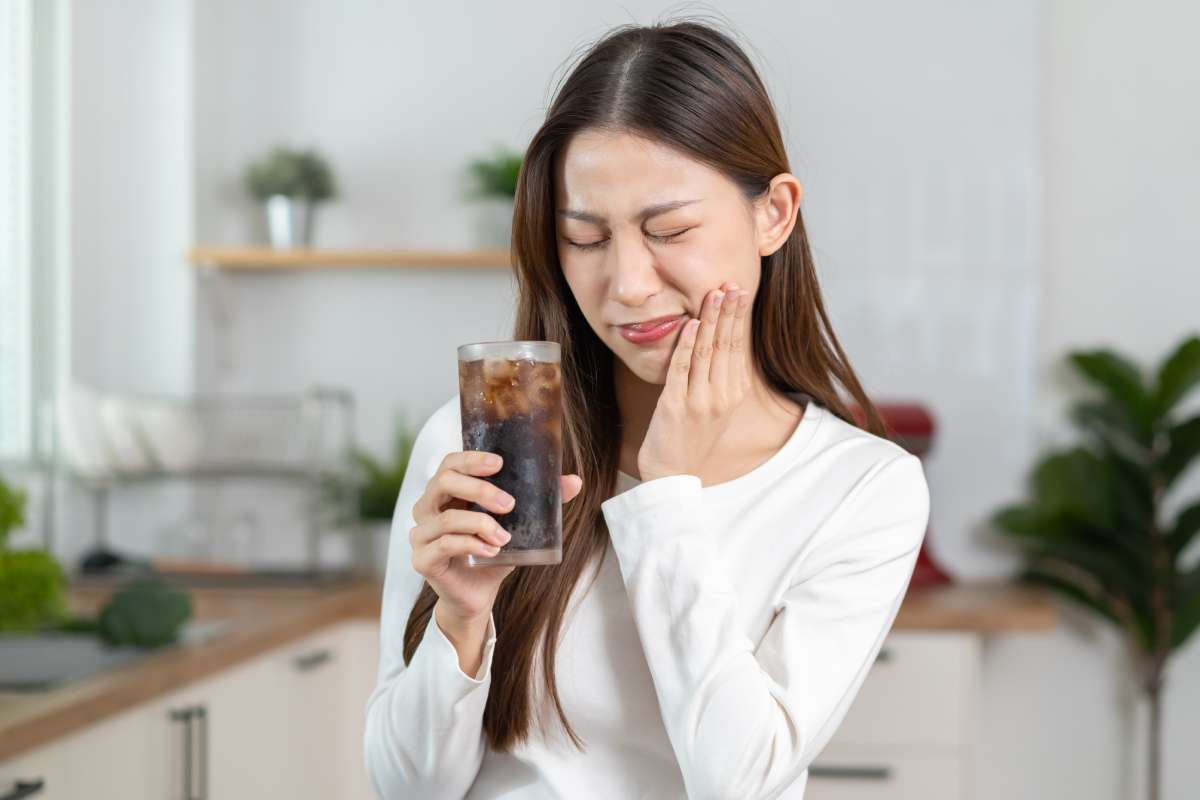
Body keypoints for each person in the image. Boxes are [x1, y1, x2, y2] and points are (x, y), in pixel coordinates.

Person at [364, 17, 930, 800]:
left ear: (775, 214)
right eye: (586, 239)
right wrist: (459, 622)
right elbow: (406, 790)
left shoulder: (862, 488)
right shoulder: (483, 444)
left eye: (670, 229)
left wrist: (665, 497)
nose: (627, 283)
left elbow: (741, 782)